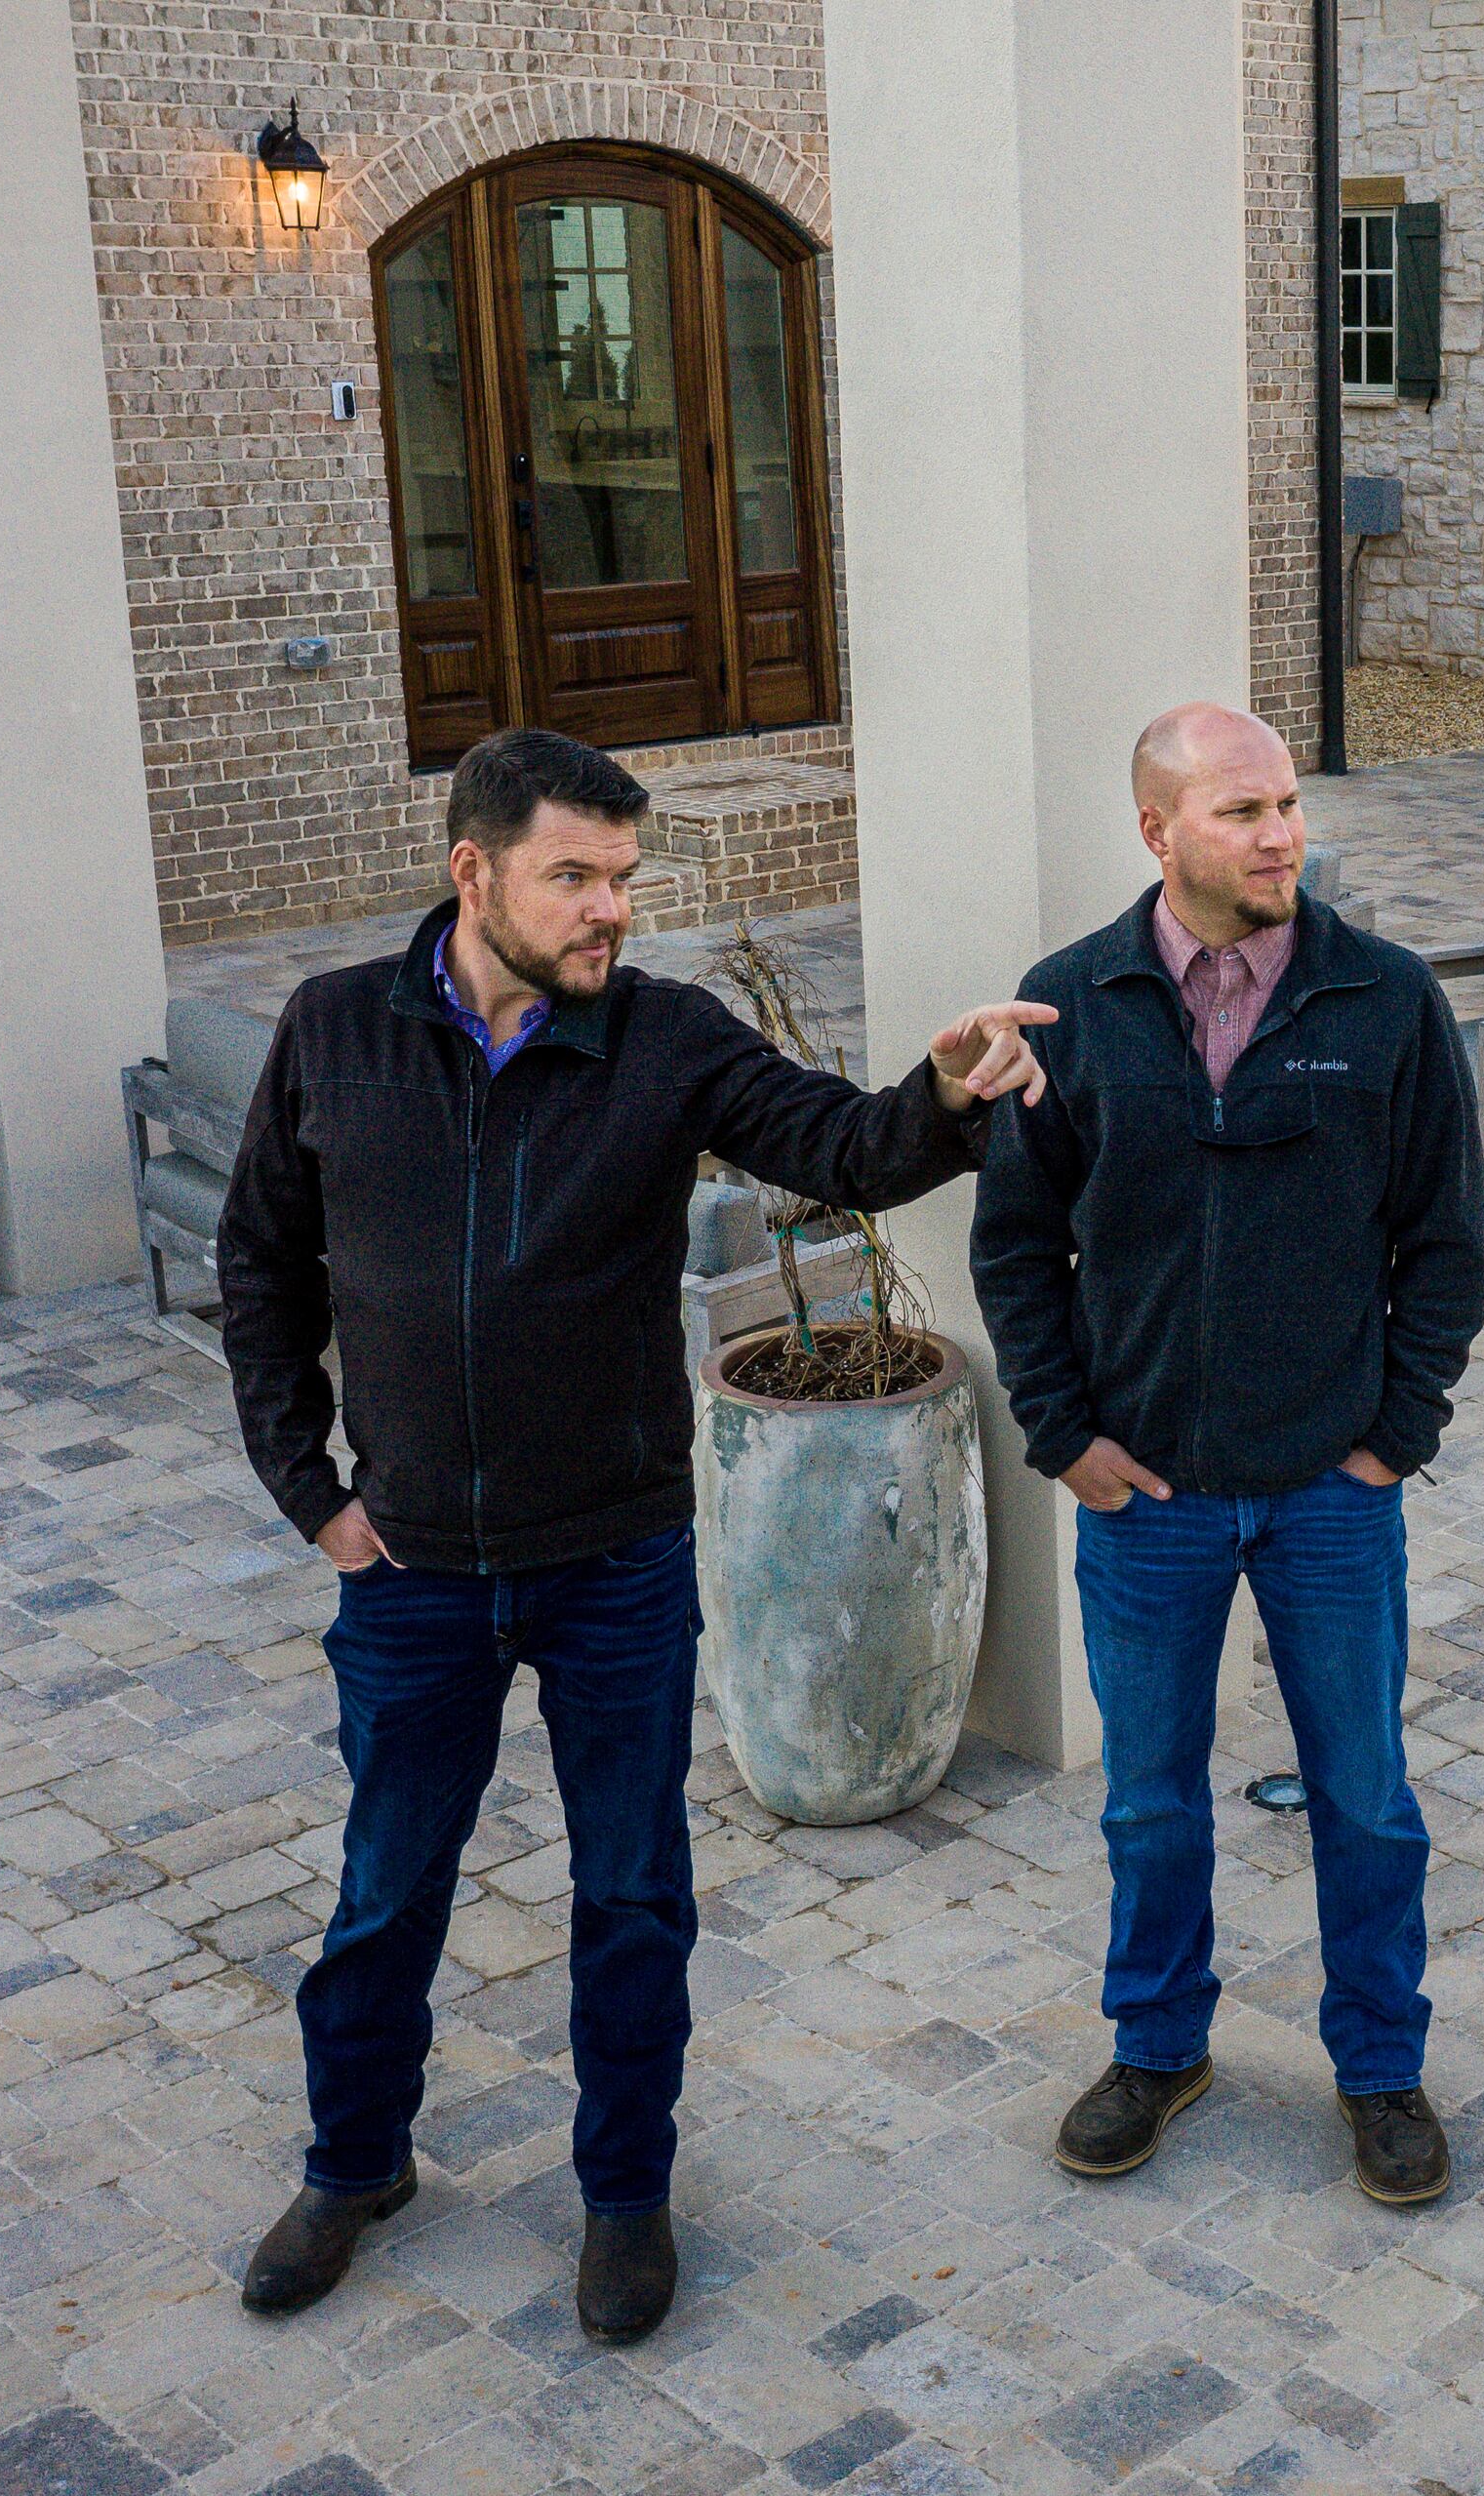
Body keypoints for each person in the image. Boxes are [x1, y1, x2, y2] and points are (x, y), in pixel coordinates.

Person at [215, 728, 1053, 2343]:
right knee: (387, 1889)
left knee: (634, 1898)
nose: (611, 911)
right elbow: (265, 1266)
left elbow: (841, 1146)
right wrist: (308, 1490)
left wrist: (945, 1094)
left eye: (623, 879)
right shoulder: (336, 1032)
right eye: (574, 879)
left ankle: (623, 2197)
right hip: (411, 1570)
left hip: (612, 1563)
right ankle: (354, 2162)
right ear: (474, 873)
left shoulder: (662, 1041)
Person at [973, 702, 1484, 2204]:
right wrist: (1064, 1435)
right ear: (1158, 831)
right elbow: (1016, 1246)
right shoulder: (1070, 1003)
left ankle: (1383, 2070)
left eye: (1287, 807)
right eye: (1243, 811)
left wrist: (1399, 1434)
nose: (1280, 835)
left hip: (1333, 1492)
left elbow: (1447, 1240)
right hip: (1150, 1499)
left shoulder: (1385, 1001)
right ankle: (1159, 2045)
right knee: (1149, 1797)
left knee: (1367, 1795)